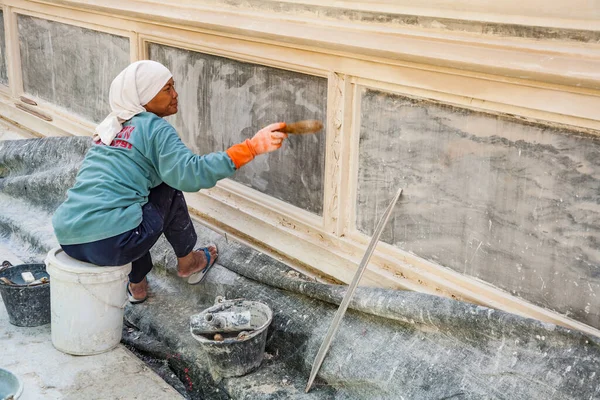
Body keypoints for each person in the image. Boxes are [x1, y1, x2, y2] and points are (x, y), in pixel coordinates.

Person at [51, 60, 287, 303]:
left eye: (173, 86)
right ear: (144, 97)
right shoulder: (154, 127)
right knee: (167, 187)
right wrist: (251, 148)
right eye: (166, 89)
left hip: (69, 238)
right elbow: (191, 174)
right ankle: (189, 262)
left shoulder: (111, 128)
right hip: (114, 243)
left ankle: (137, 285)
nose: (175, 95)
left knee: (129, 205)